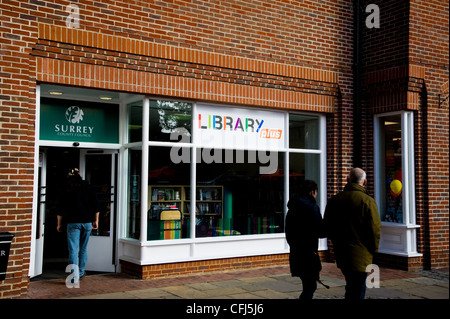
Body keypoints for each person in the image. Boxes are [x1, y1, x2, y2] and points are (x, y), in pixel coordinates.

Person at [324, 168, 381, 299]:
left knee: (351, 285)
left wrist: (336, 242)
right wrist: (374, 250)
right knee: (359, 288)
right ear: (365, 181)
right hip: (362, 254)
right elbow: (375, 229)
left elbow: (327, 226)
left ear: (347, 180)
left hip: (342, 252)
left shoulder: (334, 200)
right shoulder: (367, 201)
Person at [57, 168, 100, 283]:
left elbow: (61, 208)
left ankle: (74, 276)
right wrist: (96, 220)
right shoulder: (88, 187)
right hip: (87, 222)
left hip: (73, 223)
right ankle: (81, 272)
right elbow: (96, 206)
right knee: (83, 249)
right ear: (79, 176)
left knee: (73, 250)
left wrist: (59, 223)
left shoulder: (66, 189)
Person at [285, 180, 326, 299]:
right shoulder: (312, 208)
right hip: (309, 254)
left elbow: (289, 233)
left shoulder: (292, 209)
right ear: (312, 192)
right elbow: (321, 231)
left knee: (307, 285)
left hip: (296, 252)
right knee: (310, 287)